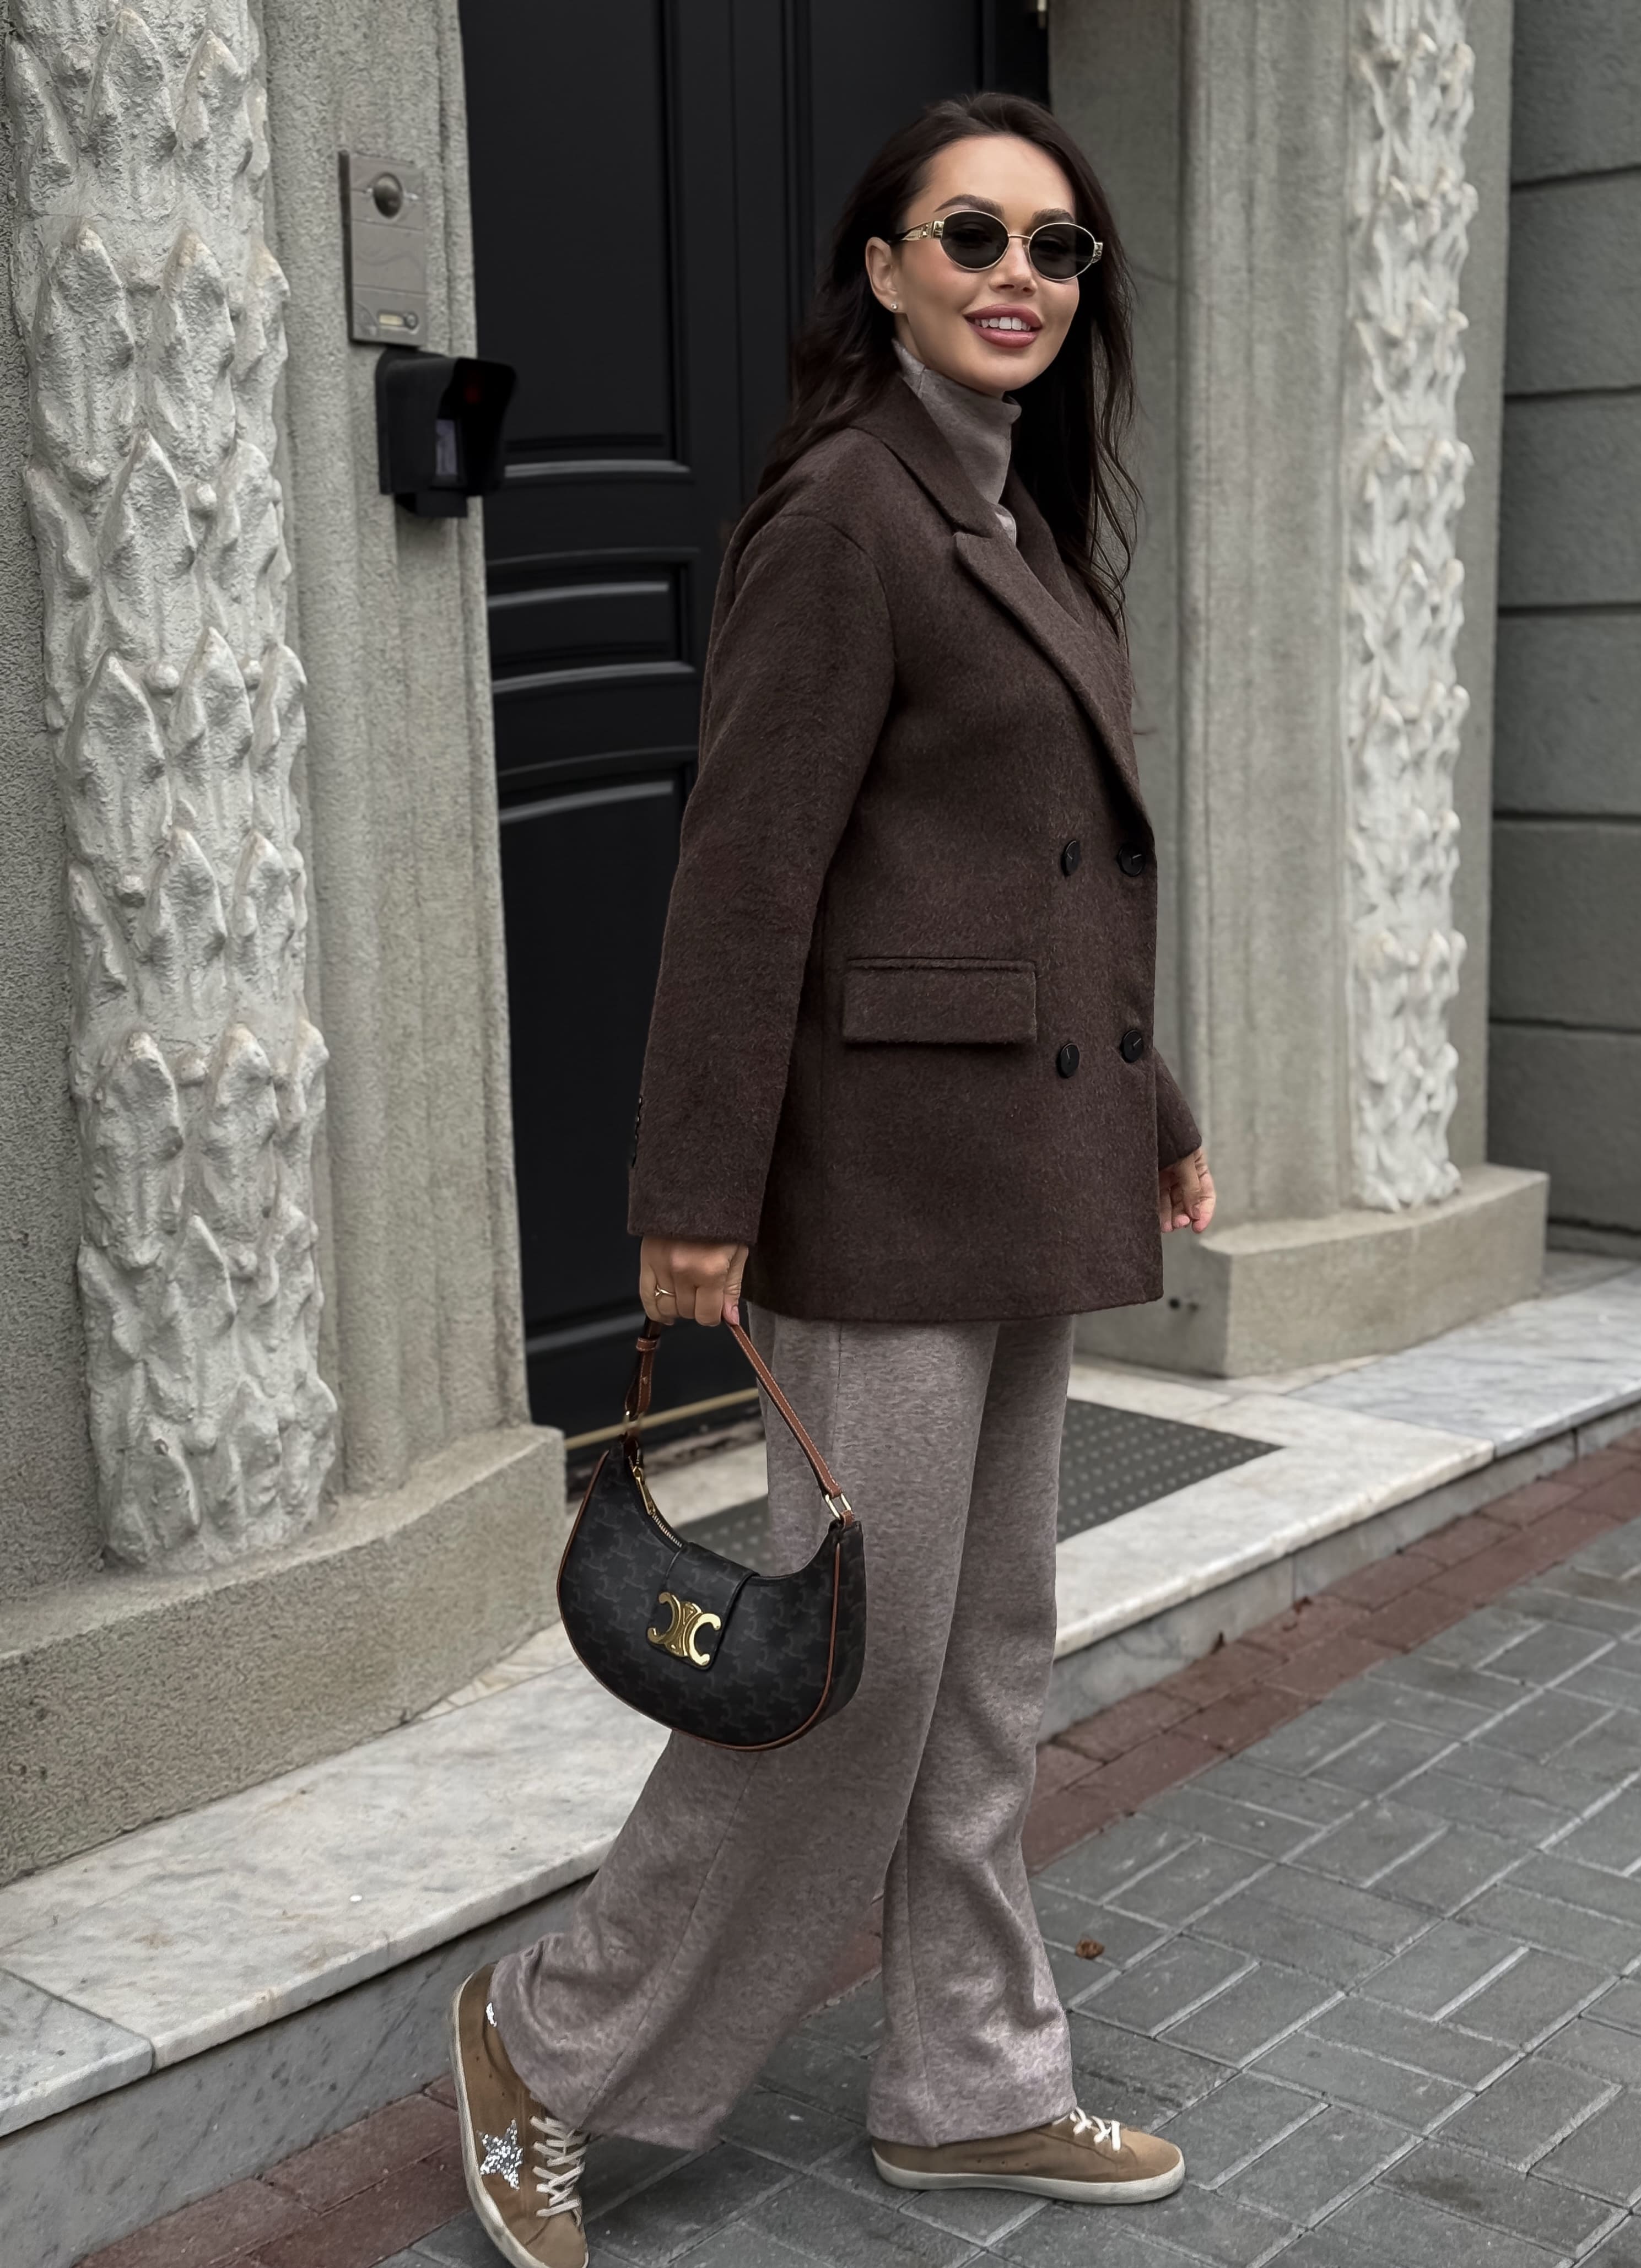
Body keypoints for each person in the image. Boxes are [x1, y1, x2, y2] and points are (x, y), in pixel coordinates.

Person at [449, 90, 1216, 2268]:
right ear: (883, 272)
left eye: (1054, 247)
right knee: (853, 1670)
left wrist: (1158, 1104)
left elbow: (1049, 882)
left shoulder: (1022, 519)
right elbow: (743, 882)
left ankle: (974, 2085)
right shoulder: (844, 516)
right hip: (877, 1192)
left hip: (1025, 1168)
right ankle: (547, 2043)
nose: (1016, 276)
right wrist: (688, 1198)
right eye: (970, 235)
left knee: (986, 1659)